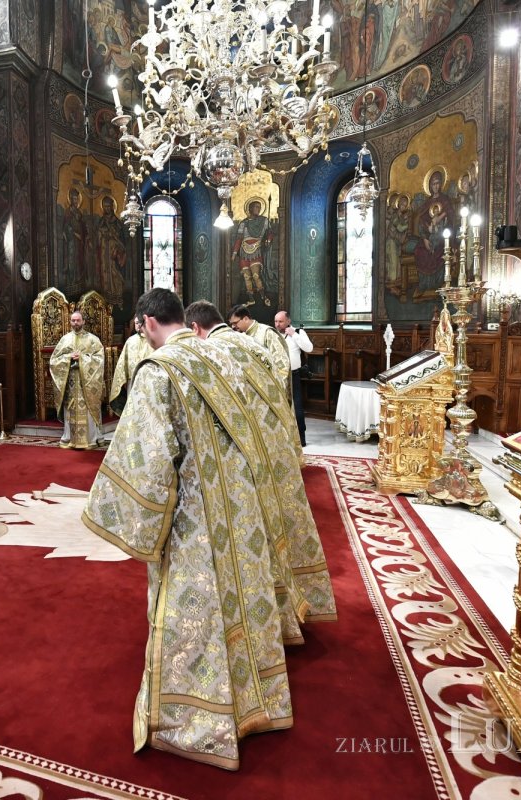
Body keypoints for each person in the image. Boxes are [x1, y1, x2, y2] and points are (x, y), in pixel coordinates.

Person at [83, 288, 304, 769]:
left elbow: (146, 458)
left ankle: (200, 718)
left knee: (195, 609)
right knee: (240, 594)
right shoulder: (223, 354)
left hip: (197, 514)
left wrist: (137, 523)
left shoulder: (159, 370)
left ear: (147, 323)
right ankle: (257, 696)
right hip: (241, 504)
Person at [186, 300, 336, 624]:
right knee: (274, 517)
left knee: (247, 527)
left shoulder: (211, 351)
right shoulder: (249, 343)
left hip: (239, 447)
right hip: (270, 438)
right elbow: (276, 380)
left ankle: (259, 611)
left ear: (196, 328)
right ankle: (287, 602)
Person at [50, 309, 106, 449]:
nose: (75, 323)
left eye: (78, 320)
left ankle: (91, 439)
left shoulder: (93, 340)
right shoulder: (65, 340)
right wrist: (68, 358)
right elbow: (54, 361)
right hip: (70, 382)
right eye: (73, 320)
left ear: (83, 321)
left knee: (88, 409)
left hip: (87, 383)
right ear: (70, 322)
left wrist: (82, 359)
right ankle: (70, 438)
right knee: (70, 408)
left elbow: (100, 359)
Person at [228, 303, 290, 399]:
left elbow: (282, 363)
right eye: (231, 324)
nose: (232, 327)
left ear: (245, 318)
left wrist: (277, 389)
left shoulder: (266, 333)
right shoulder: (238, 336)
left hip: (269, 389)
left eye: (235, 323)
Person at [275, 310, 314, 447]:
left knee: (297, 406)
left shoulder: (298, 332)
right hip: (277, 375)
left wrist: (294, 335)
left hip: (293, 374)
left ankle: (301, 438)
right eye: (276, 321)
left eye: (280, 321)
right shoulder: (272, 334)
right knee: (279, 406)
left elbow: (309, 348)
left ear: (288, 321)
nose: (277, 324)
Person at [231, 199, 275, 306]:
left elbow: (270, 232)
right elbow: (239, 239)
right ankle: (251, 300)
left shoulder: (264, 221)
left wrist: (268, 240)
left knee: (256, 276)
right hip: (244, 252)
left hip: (256, 251)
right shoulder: (243, 223)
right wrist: (234, 253)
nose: (258, 209)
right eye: (256, 207)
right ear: (250, 208)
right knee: (247, 277)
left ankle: (264, 297)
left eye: (260, 207)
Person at [107, 315, 152, 415]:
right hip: (132, 380)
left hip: (149, 380)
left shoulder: (153, 340)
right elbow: (123, 362)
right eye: (136, 323)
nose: (138, 325)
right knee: (133, 409)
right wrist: (123, 379)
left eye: (139, 323)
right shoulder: (130, 341)